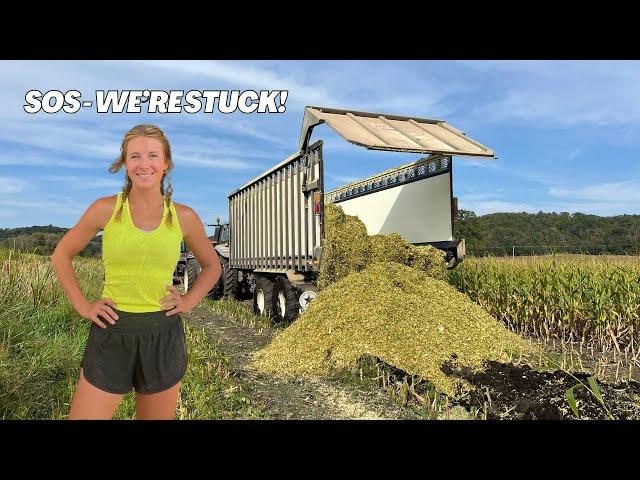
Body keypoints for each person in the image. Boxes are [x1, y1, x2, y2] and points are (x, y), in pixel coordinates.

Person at [51, 124, 222, 420]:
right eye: (135, 156)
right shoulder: (105, 209)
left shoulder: (183, 216)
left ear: (166, 163)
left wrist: (187, 301)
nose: (145, 164)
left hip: (161, 333)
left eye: (153, 155)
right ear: (125, 164)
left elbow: (212, 267)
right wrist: (83, 305)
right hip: (112, 330)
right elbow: (61, 255)